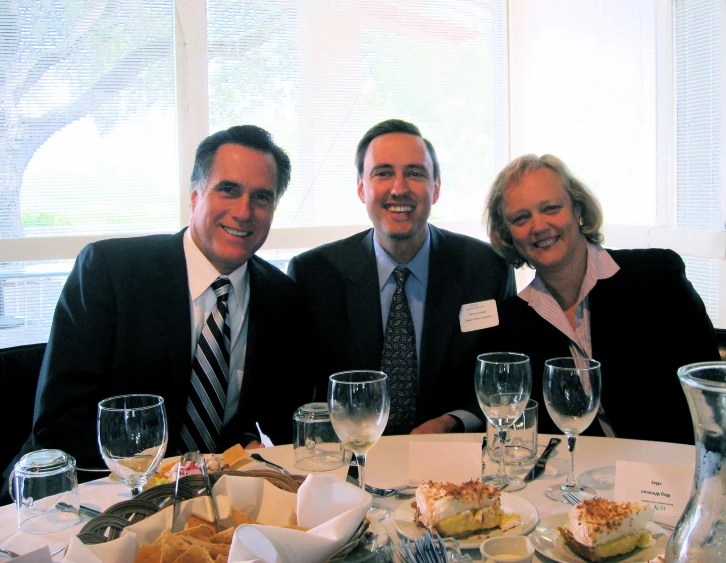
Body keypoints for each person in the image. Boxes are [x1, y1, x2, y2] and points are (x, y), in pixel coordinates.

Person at [3, 125, 311, 489]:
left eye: (261, 197)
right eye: (228, 190)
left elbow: (275, 420)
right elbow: (61, 425)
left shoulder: (281, 296)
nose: (244, 212)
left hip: (216, 502)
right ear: (195, 195)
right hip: (91, 492)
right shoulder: (110, 272)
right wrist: (164, 479)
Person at [288, 119, 516, 435]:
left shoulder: (486, 269)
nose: (399, 188)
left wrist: (453, 421)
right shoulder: (314, 275)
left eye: (415, 173)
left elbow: (504, 378)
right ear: (360, 187)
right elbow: (296, 392)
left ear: (435, 188)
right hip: (349, 463)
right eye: (383, 173)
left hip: (453, 465)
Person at [485, 153, 720, 444]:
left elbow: (711, 389)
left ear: (578, 209)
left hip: (673, 473)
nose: (539, 226)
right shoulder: (513, 321)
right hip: (579, 483)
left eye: (551, 208)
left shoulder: (657, 278)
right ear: (507, 234)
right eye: (521, 218)